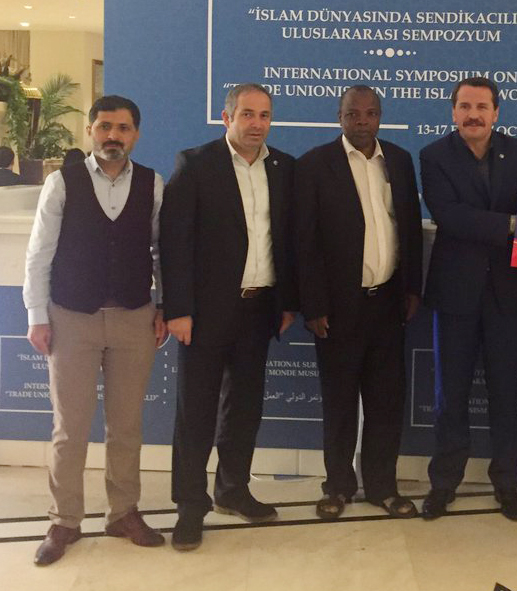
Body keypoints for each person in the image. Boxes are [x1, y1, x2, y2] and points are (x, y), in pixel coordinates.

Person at [23, 95, 167, 565]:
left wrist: (163, 306)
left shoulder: (152, 183)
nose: (113, 136)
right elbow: (39, 253)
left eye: (123, 128)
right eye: (105, 126)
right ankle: (64, 520)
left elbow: (160, 253)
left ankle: (123, 513)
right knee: (70, 428)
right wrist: (36, 315)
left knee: (126, 426)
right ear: (90, 131)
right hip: (72, 318)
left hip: (133, 318)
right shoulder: (61, 182)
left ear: (135, 135)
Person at [161, 83, 297, 551]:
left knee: (244, 408)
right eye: (247, 114)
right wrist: (178, 309)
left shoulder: (283, 167)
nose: (257, 123)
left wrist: (287, 302)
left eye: (264, 115)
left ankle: (233, 490)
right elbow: (174, 242)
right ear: (227, 117)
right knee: (195, 413)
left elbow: (289, 241)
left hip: (259, 309)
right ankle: (189, 507)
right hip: (204, 313)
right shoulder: (196, 164)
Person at [419, 76, 517, 520]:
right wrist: (510, 224)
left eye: (482, 107)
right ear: (453, 111)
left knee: (506, 394)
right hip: (455, 294)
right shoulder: (433, 155)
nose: (473, 115)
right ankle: (443, 484)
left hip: (509, 294)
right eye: (465, 107)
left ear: (496, 113)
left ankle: (507, 485)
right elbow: (449, 216)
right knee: (450, 396)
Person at [295, 85, 423, 520]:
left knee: (386, 402)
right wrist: (313, 306)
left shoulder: (399, 161)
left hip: (388, 303)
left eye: (370, 113)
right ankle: (337, 487)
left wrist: (412, 288)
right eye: (353, 113)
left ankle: (382, 487)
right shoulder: (315, 164)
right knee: (340, 403)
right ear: (340, 116)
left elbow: (408, 229)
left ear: (380, 117)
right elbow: (304, 241)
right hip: (338, 307)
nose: (362, 121)